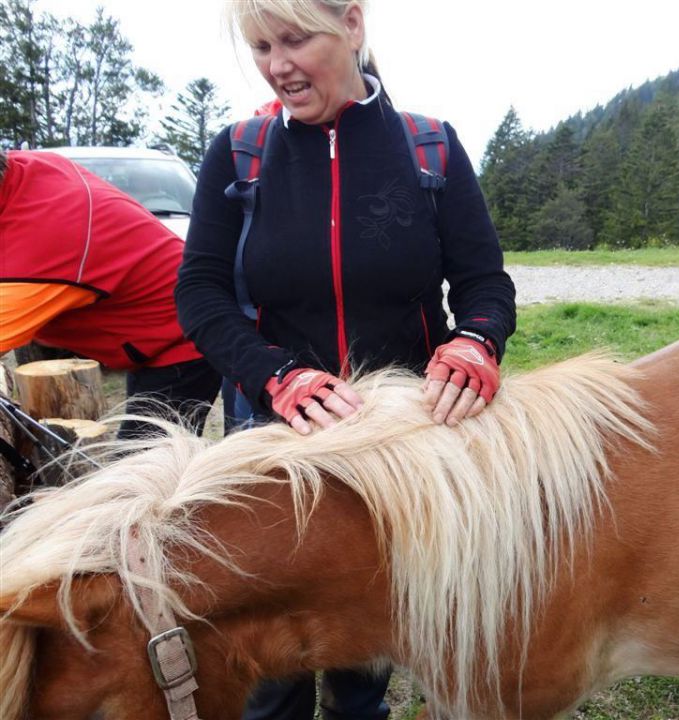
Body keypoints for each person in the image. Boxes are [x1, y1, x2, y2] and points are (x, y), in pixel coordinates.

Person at [174, 0, 516, 717]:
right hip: (276, 437)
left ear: (353, 26)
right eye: (263, 45)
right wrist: (277, 375)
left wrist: (476, 340)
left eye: (295, 38)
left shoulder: (432, 148)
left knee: (365, 655)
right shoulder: (239, 152)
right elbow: (200, 293)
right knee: (271, 669)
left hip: (399, 446)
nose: (277, 65)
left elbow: (484, 282)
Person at [0, 149, 221, 439]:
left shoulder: (42, 246)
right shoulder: (25, 169)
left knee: (138, 471)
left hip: (182, 340)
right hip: (151, 334)